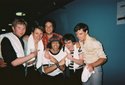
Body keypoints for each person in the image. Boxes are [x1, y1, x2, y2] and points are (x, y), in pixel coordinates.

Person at [1, 19, 38, 85]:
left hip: (20, 74)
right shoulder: (6, 39)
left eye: (24, 28)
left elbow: (20, 57)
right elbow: (14, 62)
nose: (22, 30)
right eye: (19, 28)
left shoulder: (20, 39)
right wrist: (32, 55)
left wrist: (28, 62)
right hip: (10, 76)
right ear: (13, 28)